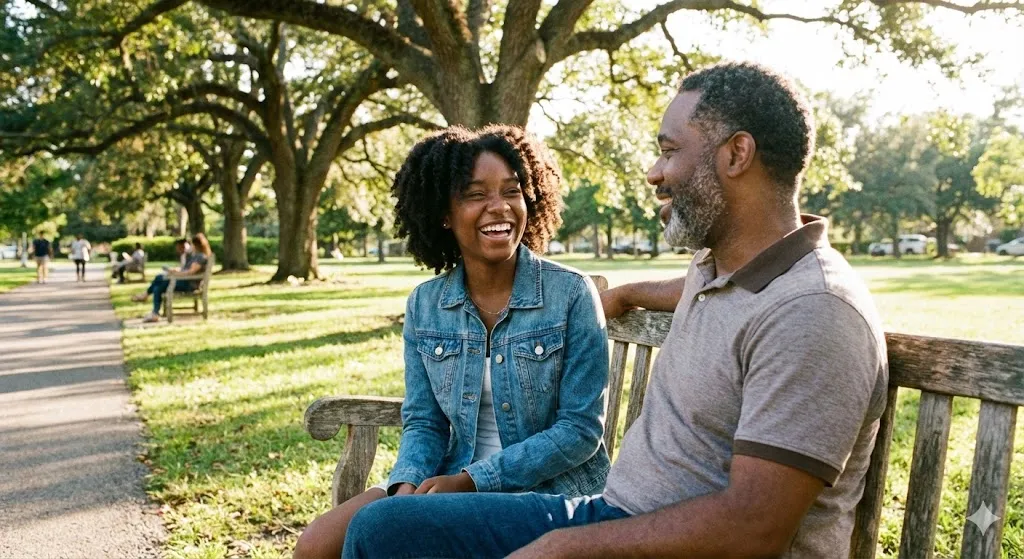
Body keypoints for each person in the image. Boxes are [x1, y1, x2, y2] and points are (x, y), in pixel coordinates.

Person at [341, 62, 889, 559]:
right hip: (617, 514)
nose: (655, 172)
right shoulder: (721, 268)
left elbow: (752, 530)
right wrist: (628, 294)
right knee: (384, 530)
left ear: (736, 155)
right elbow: (707, 289)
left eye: (670, 150)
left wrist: (564, 549)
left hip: (665, 542)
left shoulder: (815, 313)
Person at [292, 125, 611, 559]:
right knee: (315, 546)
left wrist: (472, 480)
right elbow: (424, 420)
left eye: (511, 191)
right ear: (444, 212)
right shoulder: (426, 304)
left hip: (546, 493)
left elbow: (580, 431)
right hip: (443, 479)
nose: (498, 207)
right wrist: (406, 483)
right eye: (475, 194)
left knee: (379, 530)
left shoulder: (569, 294)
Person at [131, 234, 211, 323]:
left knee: (159, 278)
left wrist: (176, 273)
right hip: (184, 281)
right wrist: (175, 271)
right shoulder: (195, 256)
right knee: (158, 287)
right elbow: (186, 269)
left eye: (192, 244)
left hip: (188, 284)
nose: (190, 246)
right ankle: (154, 313)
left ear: (196, 245)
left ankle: (147, 298)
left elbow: (190, 272)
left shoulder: (200, 257)